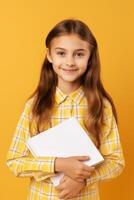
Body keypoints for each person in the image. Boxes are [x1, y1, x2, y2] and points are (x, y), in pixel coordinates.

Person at [6, 18, 125, 200]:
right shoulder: (34, 106)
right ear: (50, 56)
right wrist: (59, 164)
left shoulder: (101, 106)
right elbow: (15, 162)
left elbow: (116, 162)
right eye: (61, 53)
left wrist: (83, 179)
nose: (69, 62)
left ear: (90, 57)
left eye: (79, 54)